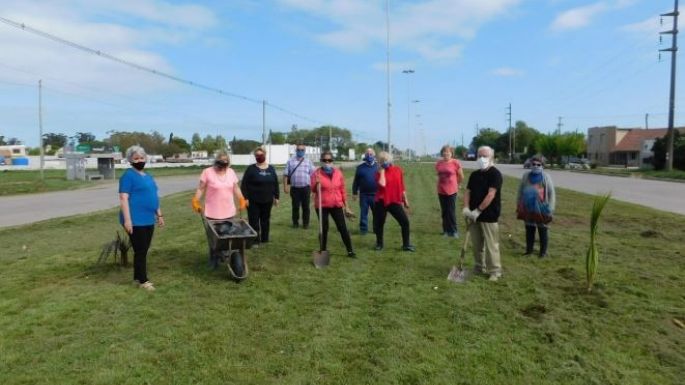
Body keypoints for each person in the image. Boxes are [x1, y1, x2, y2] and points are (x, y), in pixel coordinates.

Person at [119, 145, 164, 291]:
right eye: (136, 158)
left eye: (141, 158)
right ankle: (144, 281)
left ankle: (137, 278)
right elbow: (123, 198)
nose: (139, 160)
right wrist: (127, 220)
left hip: (148, 219)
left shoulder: (149, 177)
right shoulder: (128, 176)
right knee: (141, 250)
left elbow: (154, 196)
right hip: (135, 220)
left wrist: (159, 214)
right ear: (130, 160)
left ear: (146, 158)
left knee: (143, 250)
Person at [191, 151, 247, 267]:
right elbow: (201, 188)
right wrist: (195, 200)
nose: (223, 166)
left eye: (226, 163)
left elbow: (236, 188)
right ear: (216, 161)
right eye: (221, 162)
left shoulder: (231, 172)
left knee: (228, 236)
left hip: (228, 211)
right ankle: (213, 259)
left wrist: (241, 199)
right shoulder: (207, 172)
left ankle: (227, 257)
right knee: (214, 239)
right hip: (213, 212)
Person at [462, 145, 503, 282]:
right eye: (479, 156)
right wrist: (467, 209)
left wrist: (478, 210)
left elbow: (491, 195)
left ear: (491, 157)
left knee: (491, 246)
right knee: (477, 244)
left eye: (485, 156)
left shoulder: (495, 174)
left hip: (489, 215)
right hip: (473, 215)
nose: (481, 158)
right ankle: (479, 267)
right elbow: (468, 192)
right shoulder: (474, 175)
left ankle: (495, 271)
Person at [311, 151, 355, 257]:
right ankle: (323, 251)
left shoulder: (338, 173)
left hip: (336, 204)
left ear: (332, 161)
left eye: (329, 160)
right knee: (324, 228)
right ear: (321, 161)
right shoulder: (316, 174)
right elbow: (313, 189)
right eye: (324, 160)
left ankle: (350, 251)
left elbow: (342, 190)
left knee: (342, 227)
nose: (327, 162)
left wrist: (347, 206)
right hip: (322, 205)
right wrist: (316, 184)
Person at [373, 151, 415, 252]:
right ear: (378, 162)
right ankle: (379, 244)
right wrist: (382, 170)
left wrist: (405, 199)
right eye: (381, 160)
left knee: (404, 222)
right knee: (380, 224)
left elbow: (401, 185)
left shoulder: (398, 170)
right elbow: (382, 184)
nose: (384, 162)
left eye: (385, 160)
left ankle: (406, 244)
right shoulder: (377, 173)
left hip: (394, 201)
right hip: (381, 202)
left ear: (390, 160)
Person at [516, 156, 556, 258]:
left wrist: (550, 208)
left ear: (542, 166)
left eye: (538, 165)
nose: (536, 166)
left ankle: (543, 253)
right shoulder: (526, 176)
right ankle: (529, 251)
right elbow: (520, 191)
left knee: (542, 230)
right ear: (530, 165)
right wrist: (519, 204)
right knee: (529, 229)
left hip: (542, 208)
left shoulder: (546, 177)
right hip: (528, 208)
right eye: (534, 164)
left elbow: (551, 193)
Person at [241, 147, 279, 245]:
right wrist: (245, 198)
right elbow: (244, 185)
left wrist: (276, 197)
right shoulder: (251, 169)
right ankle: (254, 240)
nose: (259, 157)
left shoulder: (271, 168)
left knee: (265, 220)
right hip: (253, 201)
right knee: (254, 221)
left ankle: (265, 239)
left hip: (267, 200)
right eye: (257, 155)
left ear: (265, 155)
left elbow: (275, 183)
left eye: (261, 155)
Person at [283, 143, 315, 229]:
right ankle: (295, 223)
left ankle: (306, 224)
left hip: (306, 188)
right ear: (296, 150)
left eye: (302, 150)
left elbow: (313, 175)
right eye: (298, 150)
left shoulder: (308, 161)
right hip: (295, 188)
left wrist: (313, 189)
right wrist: (285, 186)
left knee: (306, 207)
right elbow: (286, 175)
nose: (300, 151)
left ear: (304, 151)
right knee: (295, 207)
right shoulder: (290, 161)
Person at [435, 144, 464, 238]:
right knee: (444, 211)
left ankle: (454, 231)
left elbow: (461, 176)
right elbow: (438, 174)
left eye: (448, 152)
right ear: (442, 153)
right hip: (441, 190)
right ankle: (446, 231)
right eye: (444, 151)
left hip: (452, 190)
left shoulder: (455, 163)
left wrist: (458, 185)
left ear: (451, 153)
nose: (446, 153)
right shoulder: (439, 163)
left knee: (451, 211)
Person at [352, 147, 379, 235]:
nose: (369, 155)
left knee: (377, 213)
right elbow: (356, 181)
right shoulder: (360, 168)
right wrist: (354, 193)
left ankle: (376, 229)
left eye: (371, 154)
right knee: (364, 213)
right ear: (365, 155)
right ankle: (363, 230)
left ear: (374, 155)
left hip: (376, 195)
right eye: (367, 153)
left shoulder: (378, 167)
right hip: (364, 195)